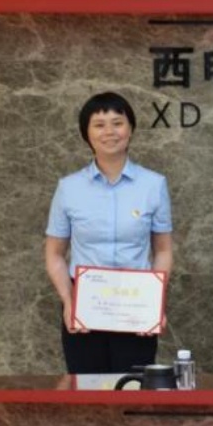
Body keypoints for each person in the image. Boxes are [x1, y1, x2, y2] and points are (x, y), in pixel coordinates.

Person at [45, 92, 172, 374]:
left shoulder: (153, 185)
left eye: (117, 123)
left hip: (136, 307)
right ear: (86, 133)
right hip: (85, 308)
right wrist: (69, 301)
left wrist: (154, 303)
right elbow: (54, 255)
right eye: (99, 125)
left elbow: (163, 250)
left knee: (133, 388)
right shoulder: (69, 188)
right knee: (88, 391)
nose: (109, 132)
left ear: (130, 129)